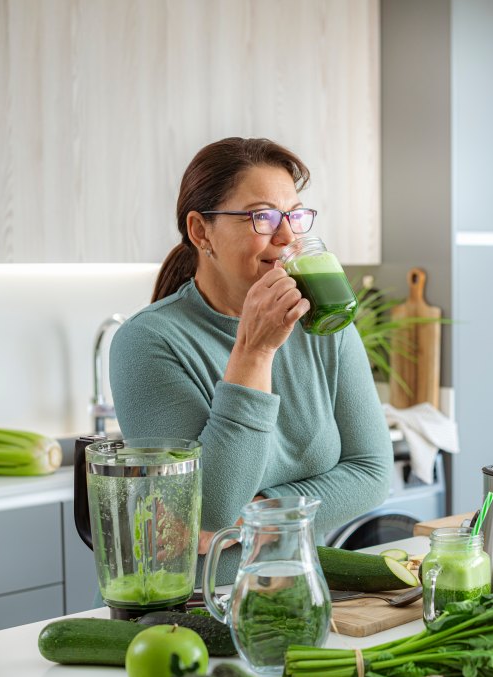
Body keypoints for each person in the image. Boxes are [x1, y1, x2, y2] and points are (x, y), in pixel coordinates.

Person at [110, 137, 393, 584]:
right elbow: (212, 510)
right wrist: (255, 352)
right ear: (202, 231)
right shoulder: (147, 342)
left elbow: (373, 472)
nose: (286, 237)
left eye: (294, 216)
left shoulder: (324, 324)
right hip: (187, 608)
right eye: (262, 217)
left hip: (291, 597)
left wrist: (264, 512)